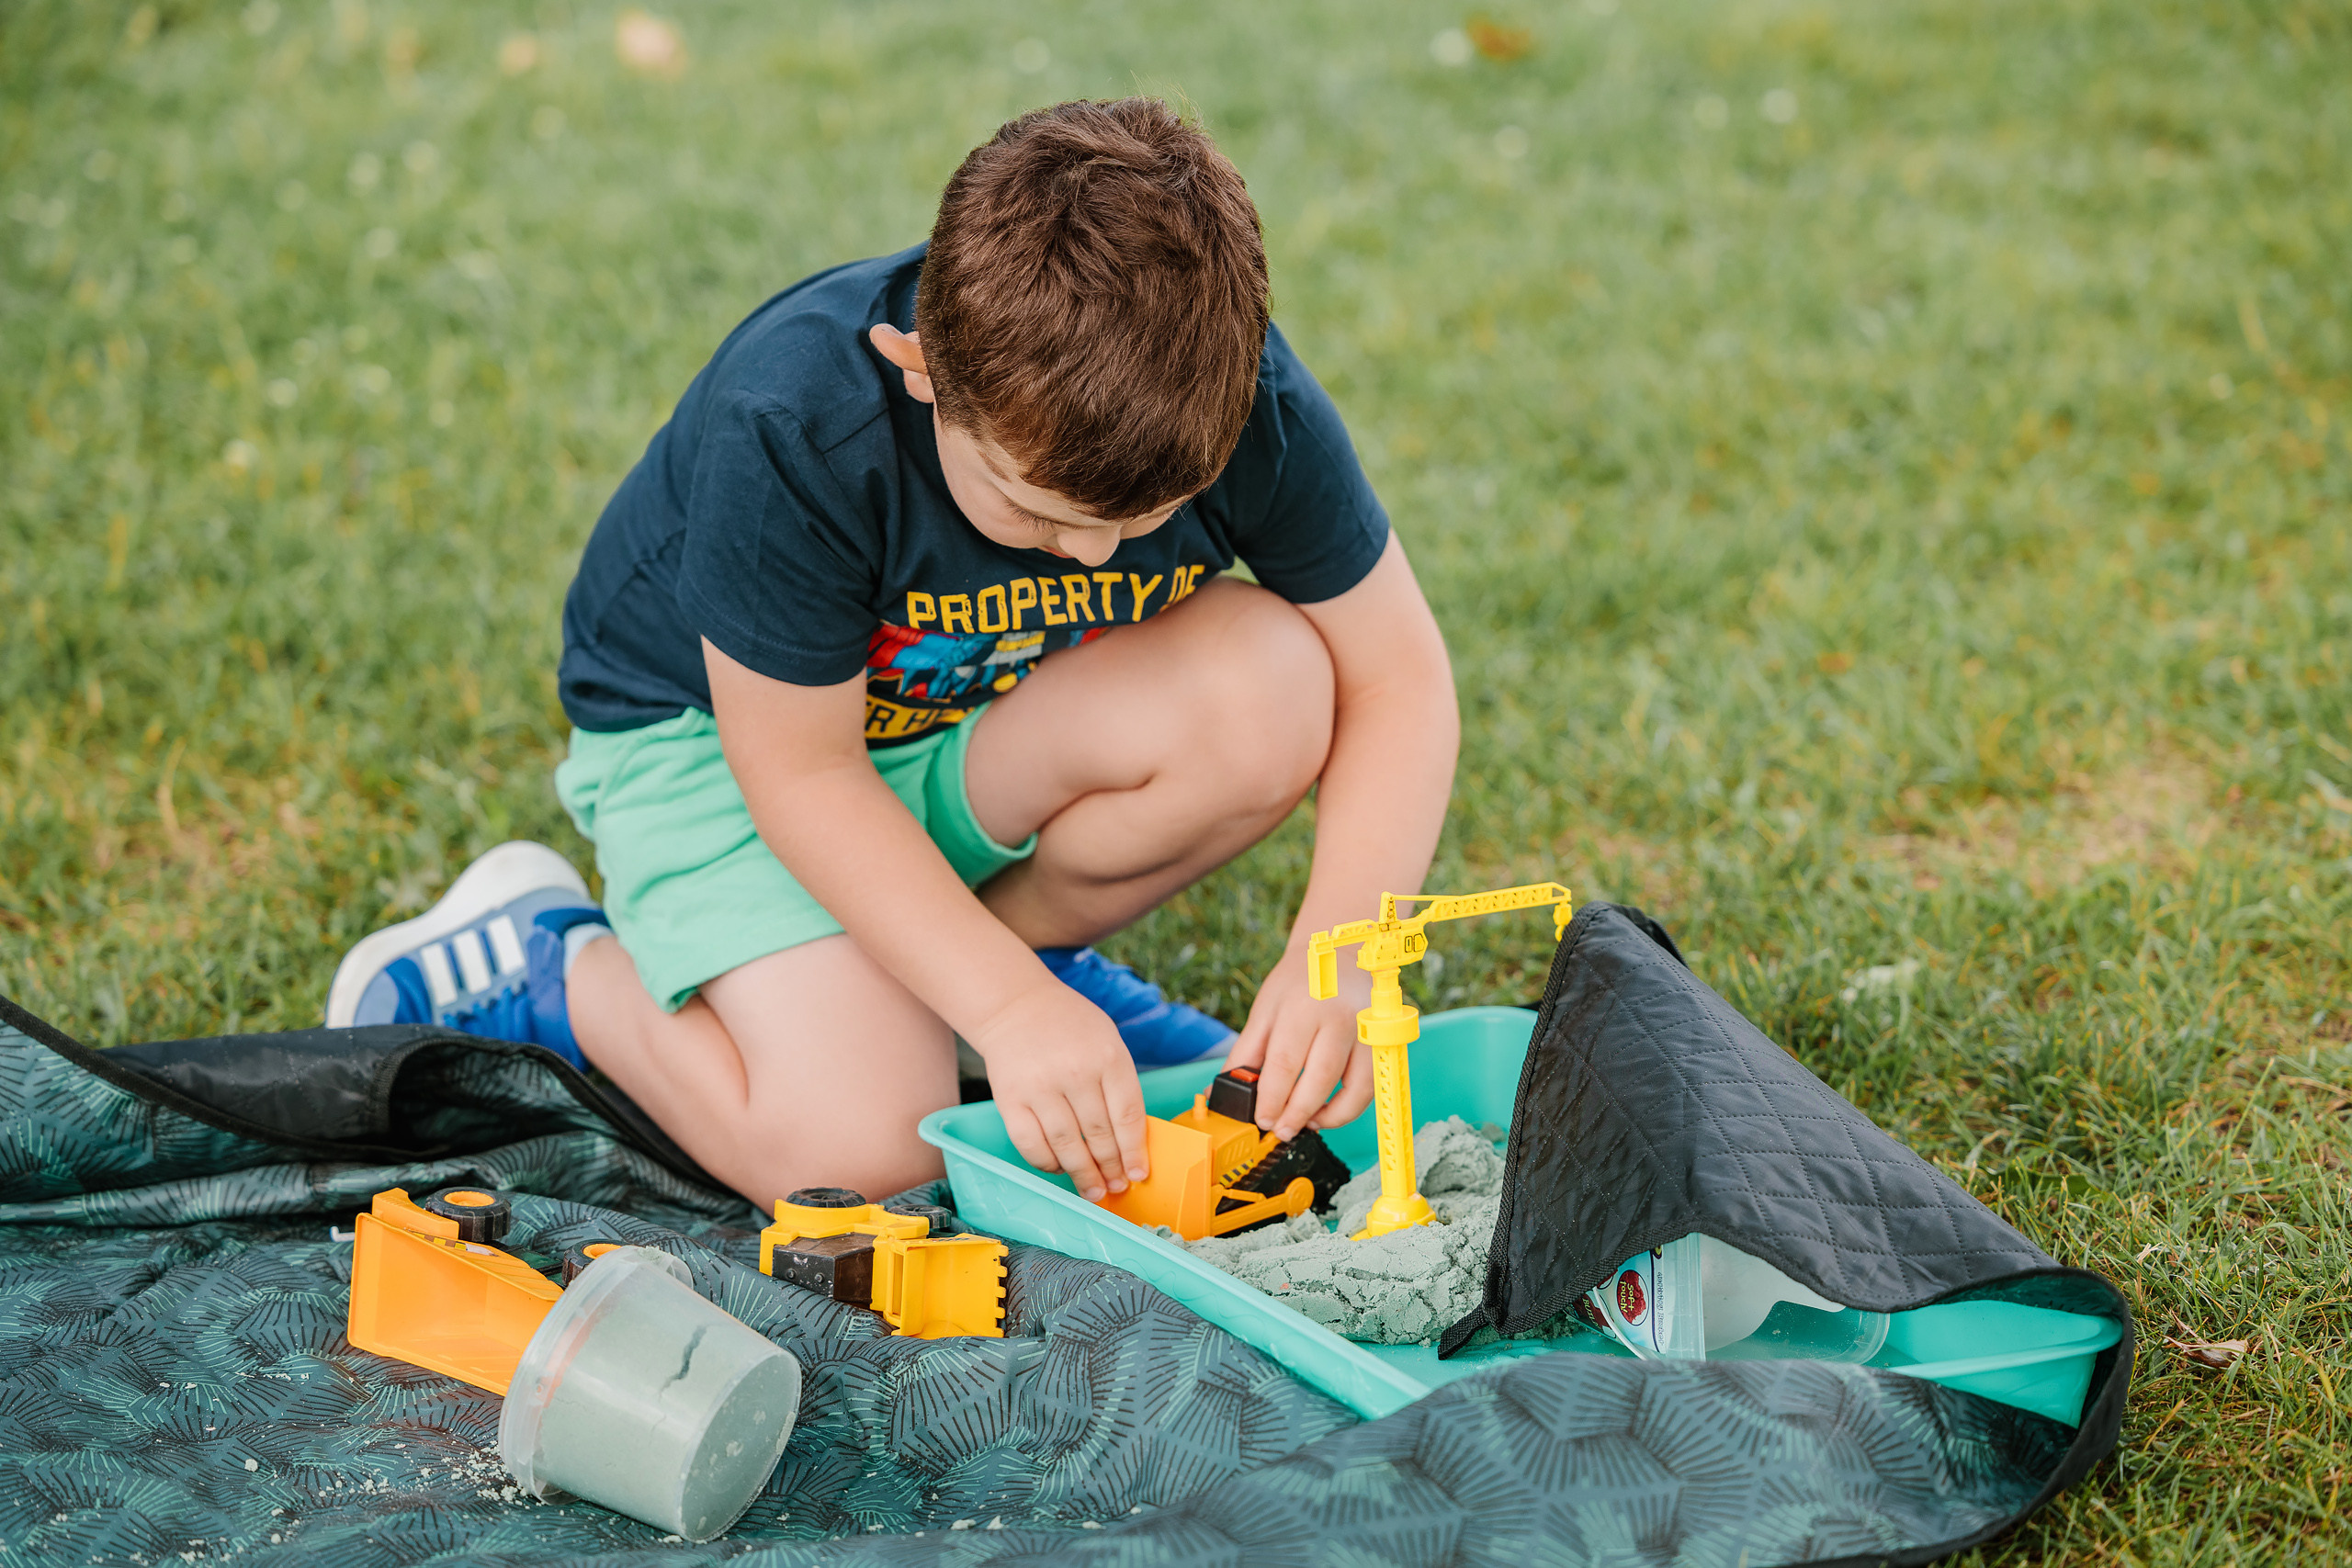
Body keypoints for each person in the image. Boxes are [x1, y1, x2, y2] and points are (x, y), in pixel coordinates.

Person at [325, 98, 1457, 1210]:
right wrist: (1011, 1013)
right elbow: (803, 775)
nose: (1095, 557)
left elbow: (1397, 678)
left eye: (1153, 515)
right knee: (865, 1156)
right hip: (724, 754)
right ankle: (552, 966)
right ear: (918, 368)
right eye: (1037, 513)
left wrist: (1346, 955)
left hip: (962, 717)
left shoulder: (1229, 392)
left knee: (1271, 686)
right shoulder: (799, 422)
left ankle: (964, 977)